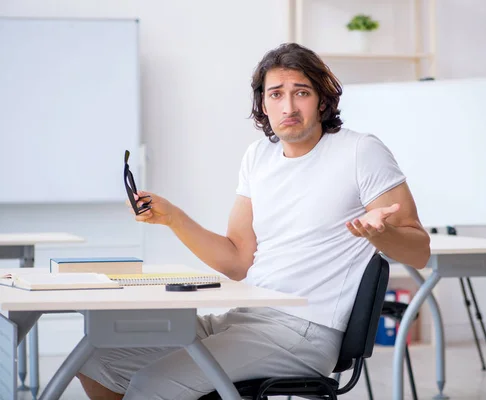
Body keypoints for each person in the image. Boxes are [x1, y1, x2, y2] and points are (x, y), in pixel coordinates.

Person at [76, 42, 430, 400]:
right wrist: (173, 218)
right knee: (101, 359)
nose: (288, 106)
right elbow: (236, 261)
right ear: (263, 103)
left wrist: (381, 234)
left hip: (306, 332)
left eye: (301, 93)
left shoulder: (360, 151)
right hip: (245, 318)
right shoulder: (259, 156)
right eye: (276, 94)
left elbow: (419, 252)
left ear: (322, 99)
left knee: (154, 383)